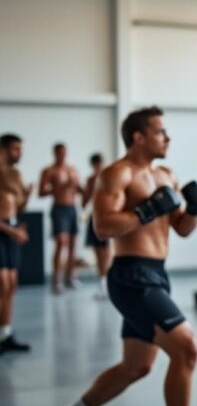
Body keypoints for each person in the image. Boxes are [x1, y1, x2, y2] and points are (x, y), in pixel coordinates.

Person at [43, 107, 197, 406]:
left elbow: (181, 228)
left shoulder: (166, 174)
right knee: (187, 348)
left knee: (136, 366)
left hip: (157, 273)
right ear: (138, 137)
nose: (167, 138)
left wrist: (196, 209)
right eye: (160, 132)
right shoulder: (117, 174)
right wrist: (147, 210)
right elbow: (103, 225)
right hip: (131, 275)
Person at [0, 134, 32, 353]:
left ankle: (6, 334)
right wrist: (11, 230)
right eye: (15, 149)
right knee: (2, 284)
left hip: (11, 230)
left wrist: (27, 197)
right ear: (3, 149)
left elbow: (18, 209)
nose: (19, 154)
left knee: (11, 285)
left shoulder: (15, 175)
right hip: (3, 230)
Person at [38, 142, 82, 292]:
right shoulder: (49, 171)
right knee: (61, 242)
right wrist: (60, 187)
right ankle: (56, 280)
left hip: (72, 208)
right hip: (59, 208)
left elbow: (79, 189)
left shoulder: (72, 170)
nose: (62, 155)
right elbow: (41, 192)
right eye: (59, 153)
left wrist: (86, 187)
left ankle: (69, 277)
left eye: (64, 152)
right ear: (55, 153)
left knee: (73, 244)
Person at [82, 153, 113, 300]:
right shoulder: (91, 180)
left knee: (106, 254)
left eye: (99, 164)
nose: (98, 167)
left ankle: (107, 285)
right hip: (94, 218)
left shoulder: (109, 177)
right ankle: (103, 285)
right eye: (95, 164)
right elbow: (85, 200)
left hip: (107, 217)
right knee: (98, 254)